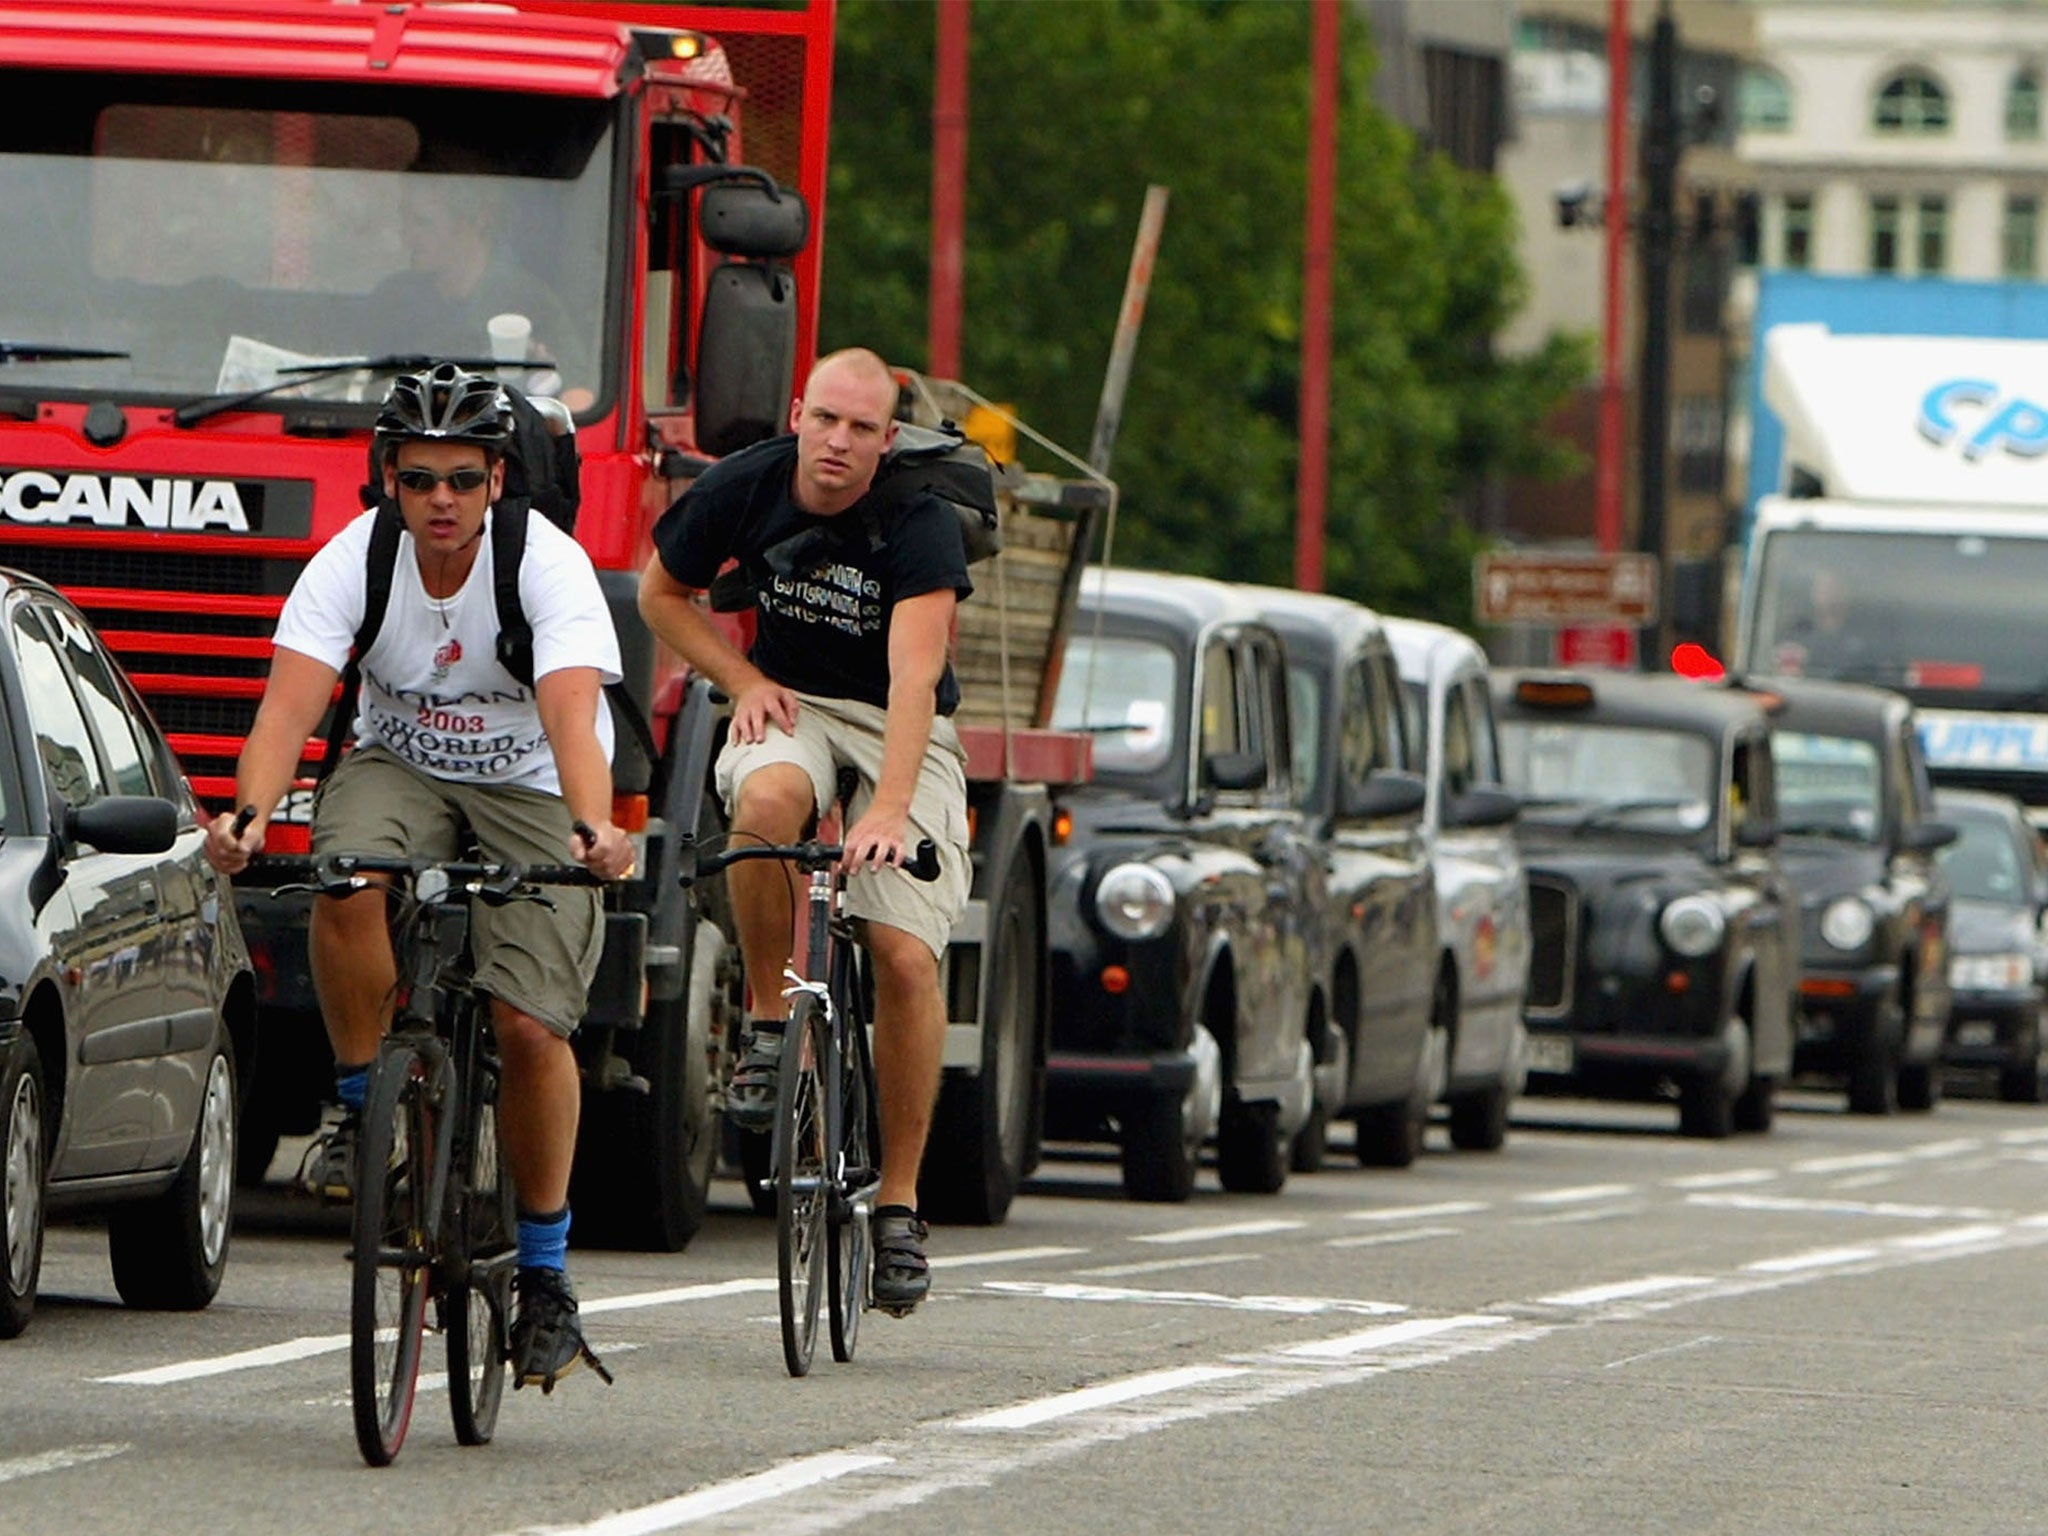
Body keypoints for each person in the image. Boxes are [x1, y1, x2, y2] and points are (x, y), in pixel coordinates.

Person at [205, 363, 635, 1392]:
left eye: (462, 479)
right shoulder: (355, 559)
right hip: (396, 763)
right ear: (387, 483)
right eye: (417, 479)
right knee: (342, 875)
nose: (441, 500)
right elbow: (287, 710)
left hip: (533, 781)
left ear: (496, 480)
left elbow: (573, 717)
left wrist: (594, 829)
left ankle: (544, 1277)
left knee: (530, 1024)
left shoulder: (548, 565)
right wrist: (248, 817)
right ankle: (363, 1111)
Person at [638, 347, 973, 1315]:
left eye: (861, 428)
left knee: (905, 956)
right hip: (790, 703)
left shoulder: (916, 521)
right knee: (766, 807)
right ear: (797, 413)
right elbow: (662, 592)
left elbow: (914, 680)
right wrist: (740, 681)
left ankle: (900, 1207)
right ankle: (766, 1019)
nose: (837, 443)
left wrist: (884, 811)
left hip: (894, 724)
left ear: (886, 440)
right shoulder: (746, 485)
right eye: (824, 419)